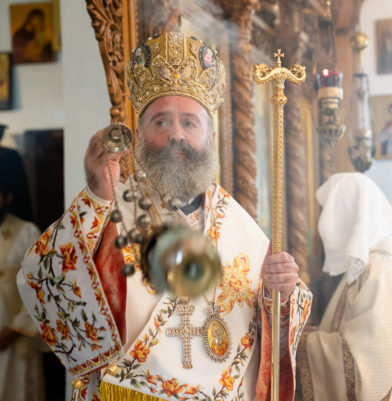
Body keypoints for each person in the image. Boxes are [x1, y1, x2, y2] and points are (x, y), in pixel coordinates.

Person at [17, 32, 312, 401]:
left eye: (189, 122)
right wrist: (95, 197)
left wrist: (278, 295)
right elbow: (43, 283)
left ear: (210, 136)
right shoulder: (111, 208)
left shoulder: (238, 226)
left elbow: (276, 326)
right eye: (161, 122)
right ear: (140, 135)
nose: (176, 135)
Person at [297, 173, 392, 401]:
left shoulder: (380, 262)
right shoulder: (372, 256)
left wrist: (302, 344)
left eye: (330, 211)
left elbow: (369, 357)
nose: (325, 223)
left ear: (348, 212)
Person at [0, 153, 45, 401]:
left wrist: (13, 330)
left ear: (7, 197)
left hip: (15, 339)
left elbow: (39, 289)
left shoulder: (27, 232)